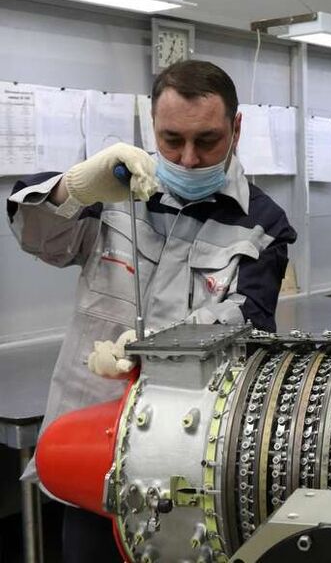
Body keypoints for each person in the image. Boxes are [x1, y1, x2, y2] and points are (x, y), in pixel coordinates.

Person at [7, 60, 296, 562]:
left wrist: (156, 351)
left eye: (207, 141)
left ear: (237, 128)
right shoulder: (112, 193)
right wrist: (76, 187)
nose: (188, 159)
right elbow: (38, 238)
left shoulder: (262, 224)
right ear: (151, 125)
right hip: (90, 451)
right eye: (171, 140)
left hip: (188, 464)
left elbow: (250, 324)